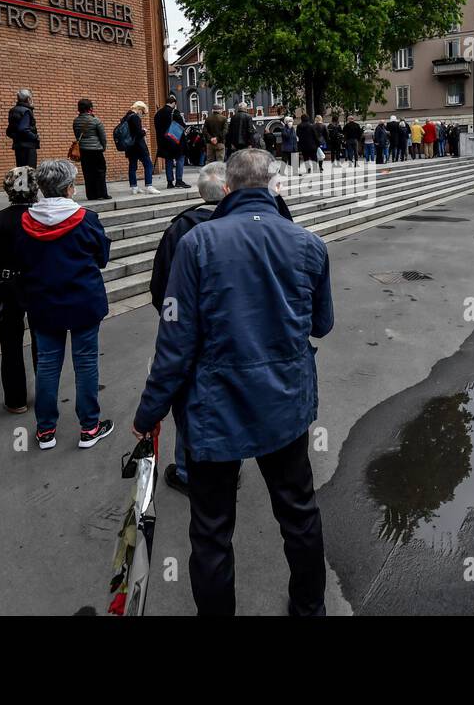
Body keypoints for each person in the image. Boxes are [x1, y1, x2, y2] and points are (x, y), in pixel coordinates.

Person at [132, 149, 333, 616]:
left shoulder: (197, 243)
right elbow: (321, 324)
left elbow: (175, 341)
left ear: (230, 186)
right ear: (273, 184)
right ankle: (309, 607)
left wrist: (149, 412)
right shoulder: (308, 243)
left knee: (211, 530)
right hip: (284, 403)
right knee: (298, 512)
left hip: (213, 409)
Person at [15, 160, 113, 450]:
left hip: (43, 301)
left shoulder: (25, 221)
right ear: (69, 187)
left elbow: (21, 260)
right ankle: (89, 427)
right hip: (83, 298)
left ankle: (45, 430)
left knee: (46, 363)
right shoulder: (86, 218)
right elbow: (101, 257)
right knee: (85, 362)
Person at [147, 162, 231, 494]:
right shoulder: (241, 225)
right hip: (230, 331)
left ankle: (187, 471)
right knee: (226, 398)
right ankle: (228, 466)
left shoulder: (180, 227)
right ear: (228, 190)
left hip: (188, 333)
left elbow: (161, 286)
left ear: (200, 192)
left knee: (189, 403)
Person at [0, 167, 40, 414]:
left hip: (7, 286)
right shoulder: (41, 218)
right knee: (41, 342)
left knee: (10, 344)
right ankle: (45, 394)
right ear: (35, 189)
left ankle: (16, 400)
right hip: (36, 285)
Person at [73, 99, 111, 201]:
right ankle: (102, 193)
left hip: (83, 150)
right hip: (96, 150)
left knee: (87, 172)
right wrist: (103, 147)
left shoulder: (76, 121)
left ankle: (91, 195)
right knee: (100, 171)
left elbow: (77, 135)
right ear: (90, 108)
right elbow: (103, 137)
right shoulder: (95, 120)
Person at [154, 92, 191, 190]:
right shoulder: (174, 112)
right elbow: (182, 125)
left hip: (163, 142)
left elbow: (157, 128)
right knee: (180, 158)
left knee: (168, 161)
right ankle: (179, 180)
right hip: (175, 141)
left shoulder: (158, 114)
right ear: (174, 103)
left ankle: (169, 182)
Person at [122, 100, 160, 195]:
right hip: (138, 146)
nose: (142, 114)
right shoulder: (135, 117)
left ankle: (134, 187)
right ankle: (149, 186)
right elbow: (138, 133)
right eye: (143, 112)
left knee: (132, 166)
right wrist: (144, 131)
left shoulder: (125, 117)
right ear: (139, 109)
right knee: (148, 164)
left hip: (129, 146)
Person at [7, 89, 40, 168]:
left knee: (21, 171)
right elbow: (23, 129)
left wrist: (16, 137)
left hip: (18, 146)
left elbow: (9, 131)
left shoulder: (12, 110)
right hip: (28, 147)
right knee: (30, 172)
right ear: (28, 99)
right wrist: (35, 136)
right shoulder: (26, 111)